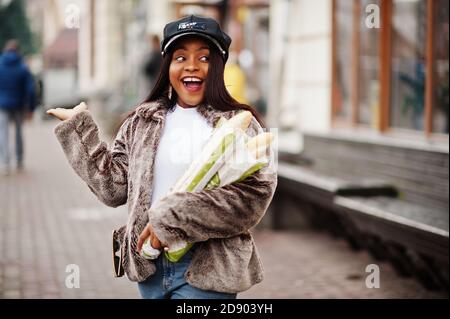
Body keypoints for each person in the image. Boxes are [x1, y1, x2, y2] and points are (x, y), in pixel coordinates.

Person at [46, 15, 277, 299]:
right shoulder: (142, 122)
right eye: (180, 57)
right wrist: (80, 129)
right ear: (168, 66)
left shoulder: (242, 124)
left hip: (208, 269)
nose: (191, 66)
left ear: (218, 66)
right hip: (150, 269)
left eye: (203, 58)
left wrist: (171, 217)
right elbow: (114, 188)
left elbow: (253, 198)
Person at [0, 39, 36, 176]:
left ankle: (5, 162)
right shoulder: (23, 68)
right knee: (19, 132)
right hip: (18, 105)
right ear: (18, 51)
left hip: (2, 105)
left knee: (3, 133)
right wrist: (31, 108)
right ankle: (19, 160)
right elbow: (31, 90)